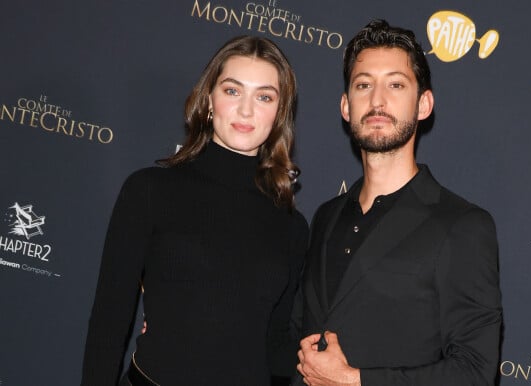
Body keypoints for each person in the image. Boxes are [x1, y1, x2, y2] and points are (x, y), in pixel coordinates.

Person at [81, 35, 309, 386]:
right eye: (233, 91)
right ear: (208, 100)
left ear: (279, 114)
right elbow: (110, 320)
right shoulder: (149, 190)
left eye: (264, 96)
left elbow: (277, 349)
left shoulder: (292, 227)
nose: (246, 110)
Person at [293, 19, 502, 386]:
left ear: (424, 104)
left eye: (395, 84)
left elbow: (474, 371)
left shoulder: (462, 225)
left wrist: (355, 381)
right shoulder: (326, 216)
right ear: (346, 106)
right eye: (363, 85)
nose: (377, 100)